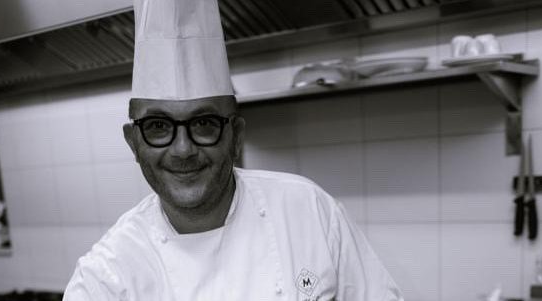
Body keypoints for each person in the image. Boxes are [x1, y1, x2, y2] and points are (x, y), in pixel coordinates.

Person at [63, 0, 404, 299]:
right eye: (158, 127)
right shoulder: (103, 280)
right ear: (133, 142)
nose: (183, 149)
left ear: (236, 135)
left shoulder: (310, 212)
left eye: (204, 123)